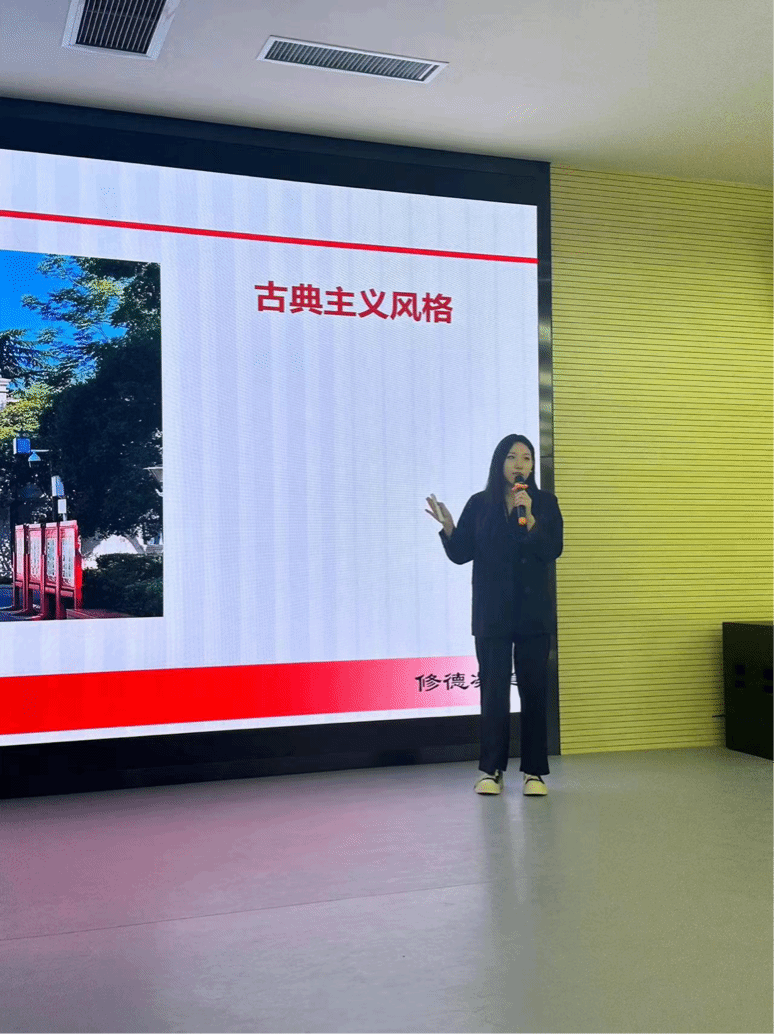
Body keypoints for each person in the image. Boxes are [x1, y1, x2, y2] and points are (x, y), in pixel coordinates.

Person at [425, 434, 563, 797]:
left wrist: (530, 518)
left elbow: (553, 549)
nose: (520, 464)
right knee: (494, 693)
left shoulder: (545, 503)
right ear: (499, 463)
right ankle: (491, 769)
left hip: (534, 613)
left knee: (534, 692)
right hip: (492, 614)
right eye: (512, 457)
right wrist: (449, 527)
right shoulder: (480, 504)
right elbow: (461, 553)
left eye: (527, 458)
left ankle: (534, 772)